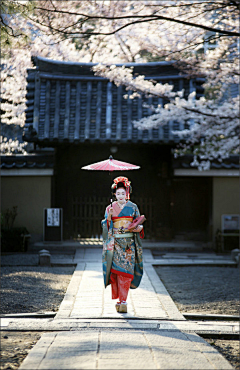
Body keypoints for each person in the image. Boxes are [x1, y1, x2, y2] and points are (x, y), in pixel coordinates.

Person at [101, 176, 144, 313]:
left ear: (127, 194)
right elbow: (105, 226)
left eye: (123, 193)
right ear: (114, 194)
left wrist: (139, 228)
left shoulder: (133, 207)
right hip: (115, 244)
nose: (121, 196)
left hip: (128, 245)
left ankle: (124, 301)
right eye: (118, 193)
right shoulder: (110, 208)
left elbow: (138, 222)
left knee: (126, 273)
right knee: (116, 272)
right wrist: (109, 217)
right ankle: (120, 300)